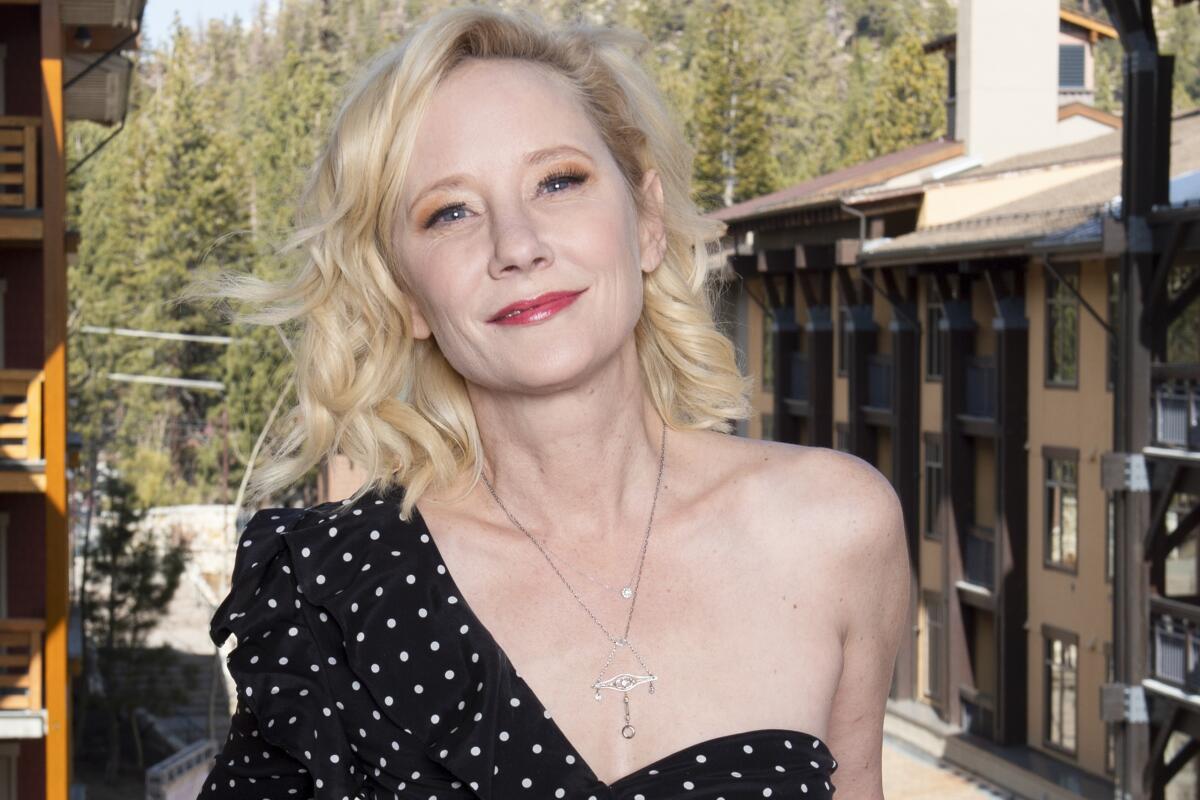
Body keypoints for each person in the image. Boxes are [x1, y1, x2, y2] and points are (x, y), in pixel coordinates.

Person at [193, 6, 909, 799]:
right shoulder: (327, 595)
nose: (517, 244)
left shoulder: (835, 530)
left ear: (646, 223)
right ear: (406, 301)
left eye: (558, 181)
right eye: (451, 212)